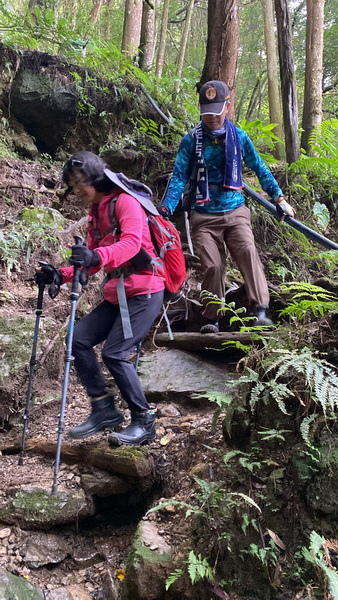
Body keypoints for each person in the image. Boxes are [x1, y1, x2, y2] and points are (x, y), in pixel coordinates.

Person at [35, 151, 165, 446]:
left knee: (115, 353)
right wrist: (61, 274)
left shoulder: (126, 201)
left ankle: (144, 421)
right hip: (119, 291)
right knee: (77, 339)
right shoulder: (96, 213)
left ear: (95, 178)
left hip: (145, 289)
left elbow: (131, 244)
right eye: (72, 185)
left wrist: (96, 254)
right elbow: (92, 263)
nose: (77, 190)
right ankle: (104, 408)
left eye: (80, 182)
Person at [159, 80, 295, 333]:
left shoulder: (240, 137)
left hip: (235, 211)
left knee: (248, 253)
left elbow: (259, 168)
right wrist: (166, 208)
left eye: (217, 110)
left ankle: (261, 310)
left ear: (228, 107)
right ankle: (212, 318)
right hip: (203, 214)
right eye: (207, 111)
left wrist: (279, 198)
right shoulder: (191, 140)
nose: (212, 117)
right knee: (213, 265)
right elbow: (178, 177)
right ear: (201, 109)